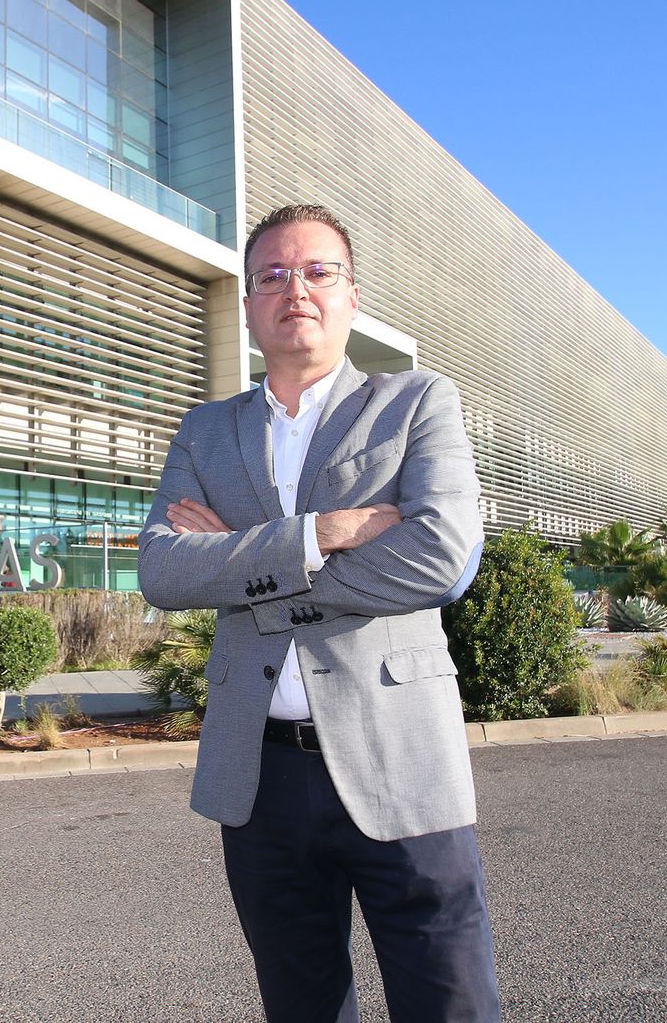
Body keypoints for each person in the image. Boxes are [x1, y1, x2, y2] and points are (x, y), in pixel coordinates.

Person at [137, 204, 499, 1022]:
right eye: (271, 274)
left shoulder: (415, 403)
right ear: (249, 306)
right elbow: (161, 569)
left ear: (352, 296)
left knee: (450, 1000)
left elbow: (439, 559)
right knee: (300, 1004)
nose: (293, 287)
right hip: (261, 775)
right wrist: (319, 536)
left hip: (400, 754)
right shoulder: (205, 431)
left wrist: (243, 564)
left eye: (316, 270)